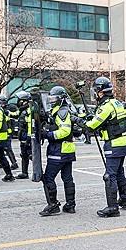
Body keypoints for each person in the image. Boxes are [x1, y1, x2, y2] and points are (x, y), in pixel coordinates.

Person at [78, 77, 126, 217]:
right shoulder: (116, 103)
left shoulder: (106, 106)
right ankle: (124, 199)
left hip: (114, 143)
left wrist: (77, 120)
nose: (95, 94)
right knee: (119, 172)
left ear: (100, 92)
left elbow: (91, 126)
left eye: (96, 91)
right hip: (124, 142)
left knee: (109, 175)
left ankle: (112, 207)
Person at [39, 86, 77, 216]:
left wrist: (47, 134)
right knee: (67, 178)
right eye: (50, 98)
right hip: (67, 149)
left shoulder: (62, 112)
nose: (51, 101)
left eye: (54, 98)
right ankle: (70, 205)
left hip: (59, 150)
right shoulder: (60, 111)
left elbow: (64, 131)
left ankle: (53, 205)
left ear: (61, 99)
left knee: (48, 177)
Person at [15, 91, 32, 180]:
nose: (18, 102)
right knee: (24, 155)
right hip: (23, 136)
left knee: (31, 155)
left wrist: (29, 138)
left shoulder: (28, 111)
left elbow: (30, 125)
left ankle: (39, 171)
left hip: (27, 136)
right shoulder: (22, 110)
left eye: (20, 100)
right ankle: (24, 173)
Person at [0, 96, 19, 171]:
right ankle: (2, 162)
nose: (2, 104)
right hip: (2, 133)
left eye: (3, 102)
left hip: (8, 132)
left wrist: (9, 113)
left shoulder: (10, 108)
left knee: (8, 149)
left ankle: (14, 163)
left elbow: (17, 113)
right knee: (1, 149)